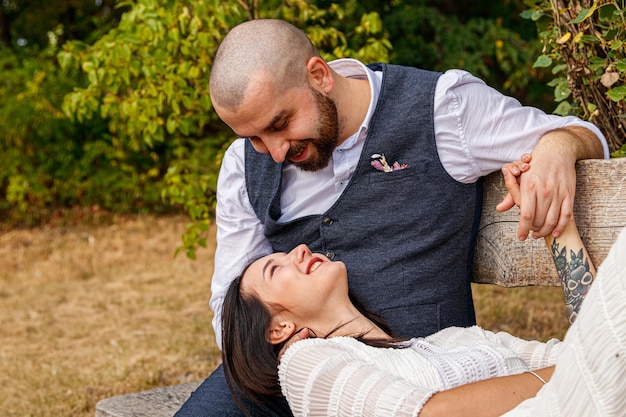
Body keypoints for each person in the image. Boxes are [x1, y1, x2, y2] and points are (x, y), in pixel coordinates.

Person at [174, 18, 609, 416]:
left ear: (320, 76)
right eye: (254, 138)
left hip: (431, 372)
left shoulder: (442, 109)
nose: (275, 151)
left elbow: (579, 134)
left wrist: (558, 147)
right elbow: (231, 304)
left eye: (281, 122)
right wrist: (300, 366)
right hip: (292, 375)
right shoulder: (240, 166)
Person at [222, 218, 625, 417]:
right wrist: (573, 369)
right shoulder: (303, 364)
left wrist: (560, 227)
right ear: (279, 328)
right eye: (275, 269)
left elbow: (590, 347)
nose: (300, 250)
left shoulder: (454, 340)